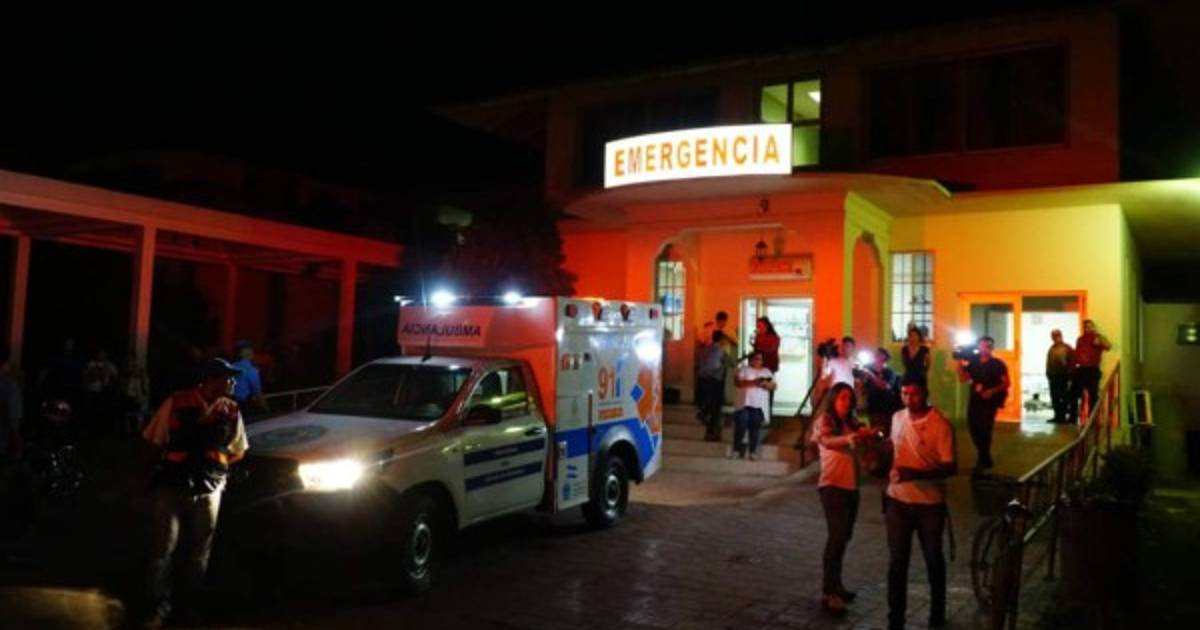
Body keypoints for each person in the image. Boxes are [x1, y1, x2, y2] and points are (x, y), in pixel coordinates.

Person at [140, 358, 248, 627]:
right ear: (210, 380)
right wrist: (144, 478)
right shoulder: (176, 402)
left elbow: (238, 449)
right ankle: (156, 603)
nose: (232, 383)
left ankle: (189, 603)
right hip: (172, 483)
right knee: (163, 546)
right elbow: (155, 441)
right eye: (227, 378)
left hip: (210, 486)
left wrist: (213, 467)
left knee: (200, 549)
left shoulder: (231, 409)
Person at [885, 377, 957, 629]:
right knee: (897, 562)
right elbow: (893, 450)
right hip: (897, 500)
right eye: (904, 393)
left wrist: (916, 473)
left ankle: (937, 614)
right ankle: (895, 618)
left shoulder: (940, 424)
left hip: (929, 504)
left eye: (914, 393)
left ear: (925, 393)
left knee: (933, 560)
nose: (909, 399)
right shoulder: (897, 418)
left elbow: (950, 467)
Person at [815, 382, 876, 613]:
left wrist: (869, 439)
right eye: (842, 398)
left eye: (850, 398)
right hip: (832, 486)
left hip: (851, 486)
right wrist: (850, 438)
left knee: (844, 537)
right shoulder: (826, 421)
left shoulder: (853, 422)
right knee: (837, 537)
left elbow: (864, 446)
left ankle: (837, 585)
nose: (847, 402)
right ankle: (829, 592)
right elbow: (826, 440)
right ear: (833, 399)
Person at [955, 336, 1009, 475]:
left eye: (988, 346)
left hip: (990, 401)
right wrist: (959, 363)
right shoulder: (973, 361)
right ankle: (984, 455)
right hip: (975, 399)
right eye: (982, 345)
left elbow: (1006, 383)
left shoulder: (997, 364)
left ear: (992, 348)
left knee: (985, 428)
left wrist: (992, 391)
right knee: (973, 427)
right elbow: (963, 378)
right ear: (978, 347)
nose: (985, 348)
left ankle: (983, 457)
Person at [731, 351, 775, 460]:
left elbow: (773, 385)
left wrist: (765, 384)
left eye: (760, 359)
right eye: (756, 359)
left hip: (759, 405)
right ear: (751, 360)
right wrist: (753, 382)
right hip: (744, 404)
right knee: (741, 425)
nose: (759, 361)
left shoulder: (766, 371)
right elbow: (738, 383)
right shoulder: (744, 369)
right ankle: (736, 449)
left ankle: (752, 451)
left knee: (755, 428)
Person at [1069, 319, 1111, 422]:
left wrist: (1099, 336)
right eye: (1086, 326)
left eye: (1090, 326)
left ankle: (1092, 419)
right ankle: (1072, 418)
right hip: (1081, 369)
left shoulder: (1097, 338)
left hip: (1092, 369)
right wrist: (1072, 368)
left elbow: (1108, 346)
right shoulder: (1080, 339)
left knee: (1093, 395)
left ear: (1093, 327)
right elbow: (1077, 354)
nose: (1088, 328)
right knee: (1073, 394)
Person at [697, 330, 735, 442]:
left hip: (703, 380)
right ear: (721, 339)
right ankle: (712, 433)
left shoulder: (705, 349)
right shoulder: (720, 350)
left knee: (710, 405)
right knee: (716, 408)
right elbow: (732, 363)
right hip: (715, 380)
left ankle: (705, 417)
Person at [82, 348, 119, 437]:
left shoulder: (109, 365)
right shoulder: (91, 364)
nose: (101, 355)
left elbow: (115, 376)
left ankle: (102, 431)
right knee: (92, 412)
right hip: (93, 391)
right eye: (100, 354)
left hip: (104, 392)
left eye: (103, 354)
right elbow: (85, 376)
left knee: (103, 411)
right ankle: (91, 430)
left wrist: (109, 382)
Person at [861, 347, 901, 430]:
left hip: (886, 407)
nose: (876, 355)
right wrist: (863, 381)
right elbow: (863, 389)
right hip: (872, 406)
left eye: (879, 354)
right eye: (876, 353)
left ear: (885, 357)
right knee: (875, 431)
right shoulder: (867, 368)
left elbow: (886, 386)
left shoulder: (890, 372)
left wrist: (871, 375)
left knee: (886, 430)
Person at [752, 317, 781, 412]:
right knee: (758, 390)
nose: (758, 328)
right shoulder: (758, 336)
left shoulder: (774, 337)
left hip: (769, 367)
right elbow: (756, 350)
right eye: (757, 326)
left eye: (760, 326)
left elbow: (771, 350)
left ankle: (767, 412)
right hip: (759, 367)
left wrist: (760, 349)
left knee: (768, 389)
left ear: (766, 326)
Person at [231, 340, 268, 415]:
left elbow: (228, 389)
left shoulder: (231, 367)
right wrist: (266, 409)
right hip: (244, 407)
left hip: (230, 405)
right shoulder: (252, 370)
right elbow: (258, 393)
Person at [1045, 329, 1073, 424]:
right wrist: (1048, 373)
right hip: (1053, 376)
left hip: (1063, 376)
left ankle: (1063, 417)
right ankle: (1057, 416)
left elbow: (1071, 362)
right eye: (1053, 336)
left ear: (1061, 336)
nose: (1055, 338)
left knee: (1063, 397)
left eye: (1057, 336)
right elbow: (1048, 362)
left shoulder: (1067, 348)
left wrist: (1070, 376)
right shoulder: (1051, 348)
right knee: (1054, 397)